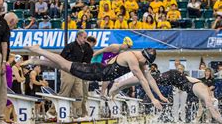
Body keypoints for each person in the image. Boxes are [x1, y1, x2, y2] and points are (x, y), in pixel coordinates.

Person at [24, 46, 165, 110]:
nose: (146, 65)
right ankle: (39, 50)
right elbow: (142, 80)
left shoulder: (138, 60)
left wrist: (159, 96)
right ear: (145, 57)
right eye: (147, 62)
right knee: (63, 63)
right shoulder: (131, 58)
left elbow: (150, 79)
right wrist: (152, 99)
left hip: (96, 73)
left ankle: (36, 61)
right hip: (94, 72)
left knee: (63, 66)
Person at [111, 68, 222, 124]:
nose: (207, 106)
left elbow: (214, 111)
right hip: (174, 76)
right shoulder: (206, 95)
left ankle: (120, 86)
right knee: (148, 79)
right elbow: (214, 112)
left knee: (149, 79)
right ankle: (119, 84)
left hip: (176, 79)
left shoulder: (205, 93)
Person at [58, 30, 92, 117]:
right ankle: (52, 112)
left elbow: (87, 59)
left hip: (77, 71)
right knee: (65, 92)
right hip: (67, 70)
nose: (85, 40)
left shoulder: (84, 48)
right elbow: (61, 58)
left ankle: (76, 113)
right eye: (84, 38)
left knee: (79, 93)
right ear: (79, 37)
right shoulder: (70, 46)